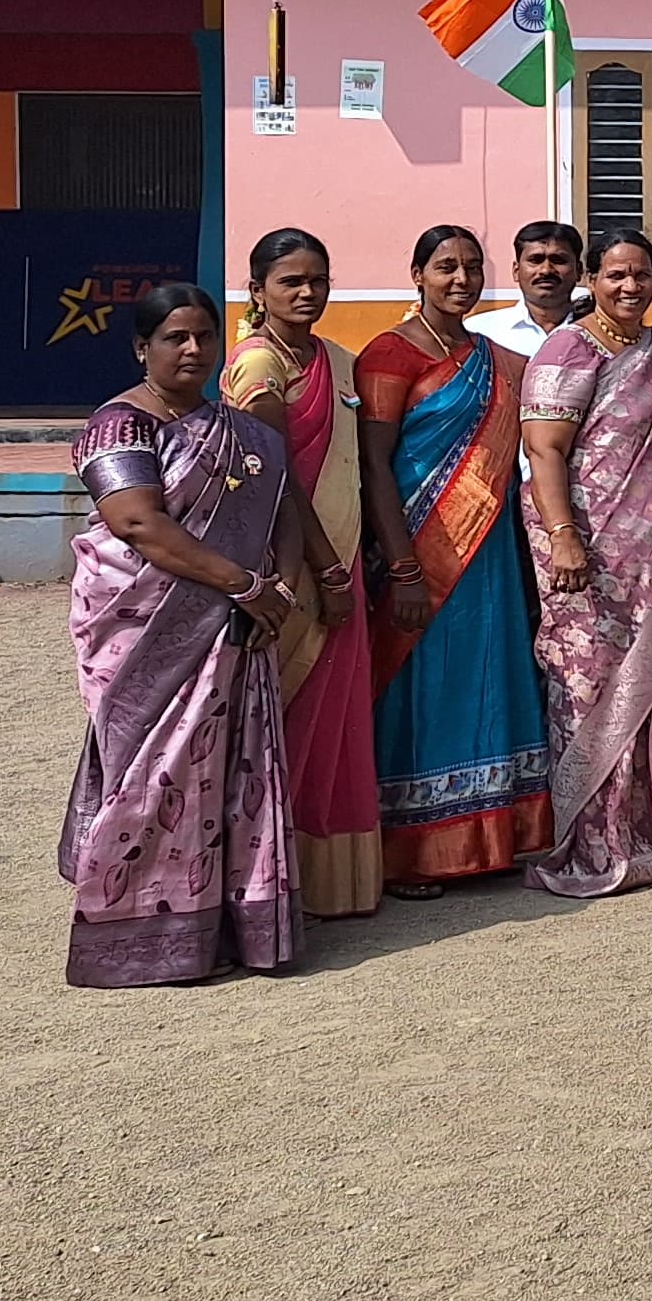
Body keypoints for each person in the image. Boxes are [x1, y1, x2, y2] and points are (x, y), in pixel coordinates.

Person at [61, 281, 304, 986]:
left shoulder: (243, 434)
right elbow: (137, 523)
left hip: (236, 624)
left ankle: (231, 927)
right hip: (145, 628)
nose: (194, 349)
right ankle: (132, 935)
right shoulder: (120, 426)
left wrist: (279, 588)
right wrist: (246, 586)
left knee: (228, 772)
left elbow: (283, 506)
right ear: (143, 348)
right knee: (152, 773)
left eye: (204, 335)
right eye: (175, 337)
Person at [356, 223, 554, 895]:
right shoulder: (389, 355)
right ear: (417, 274)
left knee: (487, 683)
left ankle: (493, 840)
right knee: (421, 689)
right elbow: (376, 468)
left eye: (472, 267)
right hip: (418, 553)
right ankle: (413, 851)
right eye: (446, 266)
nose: (461, 279)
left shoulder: (498, 361)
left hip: (489, 554)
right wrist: (405, 566)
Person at [517, 228, 652, 899]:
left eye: (642, 274)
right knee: (591, 691)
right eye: (616, 275)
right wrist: (565, 536)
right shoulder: (567, 348)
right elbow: (545, 450)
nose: (631, 287)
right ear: (591, 282)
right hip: (589, 556)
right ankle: (594, 838)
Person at [218, 228, 384, 919]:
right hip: (295, 566)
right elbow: (275, 480)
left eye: (317, 279)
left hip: (342, 558)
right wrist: (325, 568)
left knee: (337, 718)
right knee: (287, 714)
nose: (307, 292)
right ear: (258, 291)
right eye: (290, 281)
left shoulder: (336, 363)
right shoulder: (258, 368)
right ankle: (271, 878)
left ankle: (329, 880)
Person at [469, 217, 582, 363]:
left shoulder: (600, 333)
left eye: (558, 260)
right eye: (535, 260)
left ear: (579, 271)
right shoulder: (480, 331)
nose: (546, 270)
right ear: (516, 271)